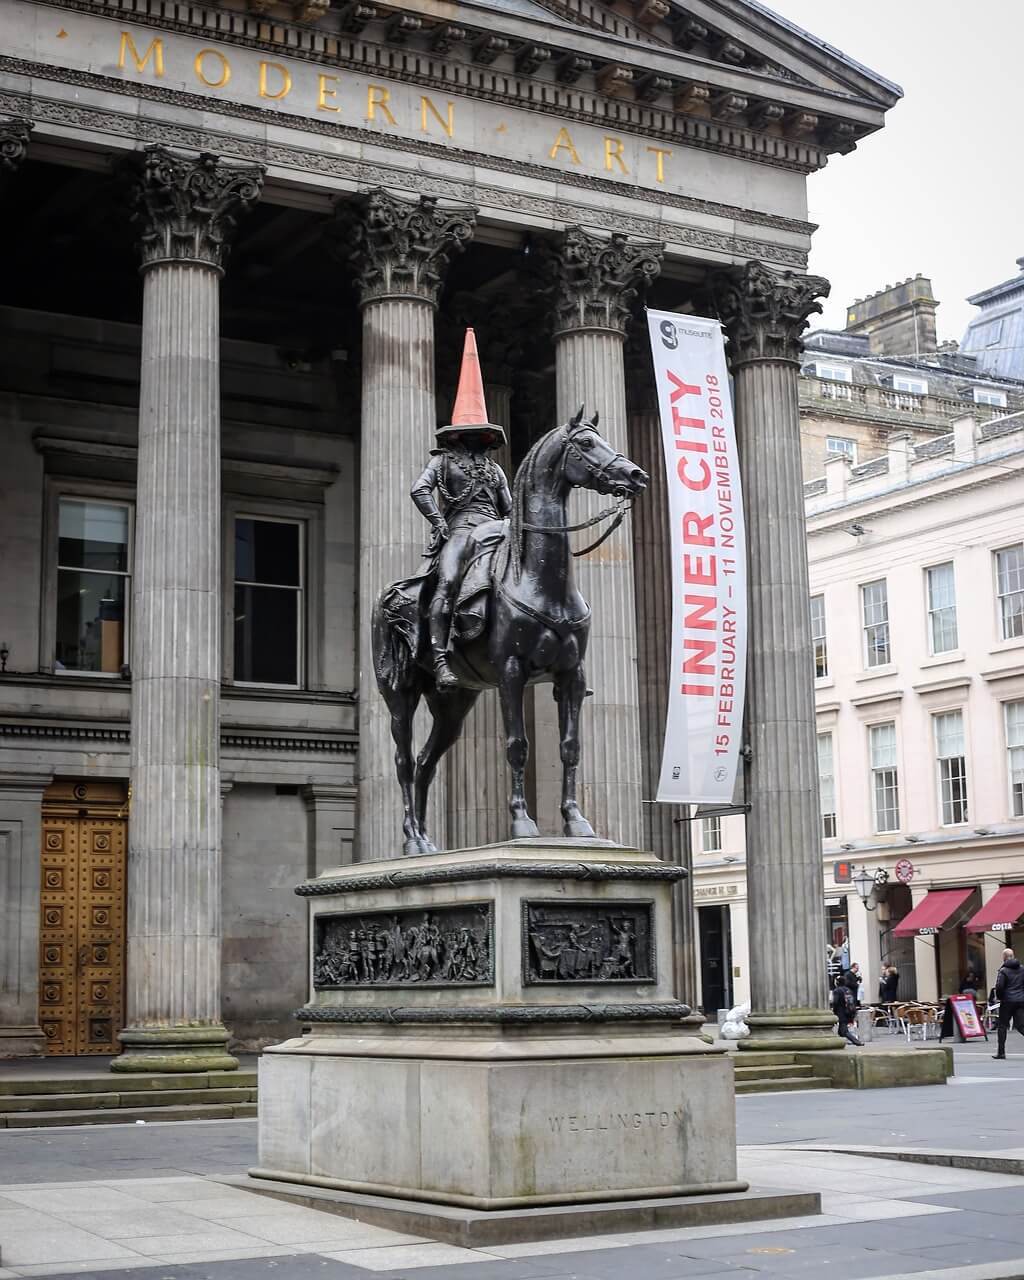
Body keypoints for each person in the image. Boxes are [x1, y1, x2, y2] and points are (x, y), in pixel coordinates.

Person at [410, 329, 511, 690]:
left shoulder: (494, 469)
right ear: (458, 434)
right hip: (461, 531)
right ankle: (440, 658)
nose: (478, 438)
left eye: (481, 433)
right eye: (472, 432)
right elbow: (419, 490)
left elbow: (508, 509)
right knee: (449, 582)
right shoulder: (442, 462)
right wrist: (439, 523)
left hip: (496, 532)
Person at [993, 948, 1024, 1060]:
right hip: (1020, 1000)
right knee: (1021, 1026)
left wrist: (1001, 997)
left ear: (1004, 957)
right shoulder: (1022, 969)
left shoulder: (1004, 970)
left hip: (1007, 1001)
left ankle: (1001, 1052)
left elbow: (999, 987)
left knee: (1002, 1026)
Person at [831, 973, 863, 1047]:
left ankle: (857, 1042)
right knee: (841, 1031)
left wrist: (833, 1011)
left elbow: (835, 1002)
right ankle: (840, 1044)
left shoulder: (837, 991)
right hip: (849, 1012)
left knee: (844, 1031)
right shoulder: (848, 990)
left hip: (841, 1012)